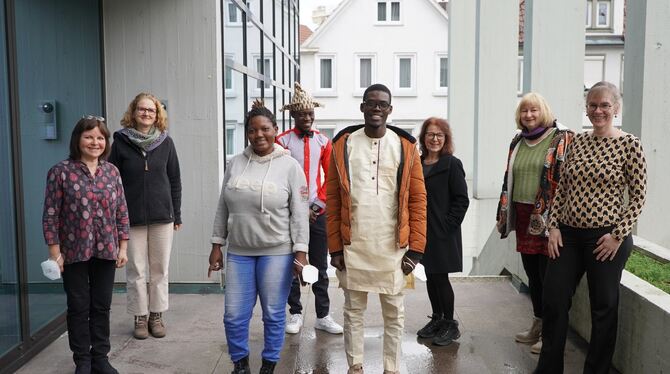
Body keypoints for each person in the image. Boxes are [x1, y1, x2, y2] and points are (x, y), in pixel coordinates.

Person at [535, 81, 647, 374]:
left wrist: (617, 235)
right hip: (568, 236)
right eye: (593, 105)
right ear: (586, 109)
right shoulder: (578, 142)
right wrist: (554, 226)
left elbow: (638, 196)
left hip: (606, 237)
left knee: (604, 307)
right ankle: (548, 369)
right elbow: (562, 189)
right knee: (554, 299)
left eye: (605, 105)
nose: (598, 110)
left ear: (616, 108)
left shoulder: (629, 144)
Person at [326, 83, 427, 374]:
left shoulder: (405, 147)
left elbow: (418, 200)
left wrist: (416, 251)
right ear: (362, 107)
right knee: (353, 311)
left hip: (393, 247)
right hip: (354, 245)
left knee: (394, 313)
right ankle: (355, 366)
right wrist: (334, 248)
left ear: (390, 110)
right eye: (371, 103)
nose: (376, 109)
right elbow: (333, 199)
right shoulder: (343, 145)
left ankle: (391, 369)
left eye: (382, 104)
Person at [208, 100, 310, 374]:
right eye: (253, 130)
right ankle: (240, 364)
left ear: (275, 130)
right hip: (239, 252)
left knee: (274, 314)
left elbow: (300, 213)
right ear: (247, 133)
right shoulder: (236, 163)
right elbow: (222, 205)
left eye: (265, 129)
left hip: (277, 251)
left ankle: (268, 364)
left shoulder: (290, 166)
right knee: (234, 315)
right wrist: (217, 244)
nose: (259, 135)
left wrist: (300, 253)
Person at [42, 116, 129, 374]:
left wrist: (123, 247)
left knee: (101, 305)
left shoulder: (112, 172)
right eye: (89, 136)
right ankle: (82, 360)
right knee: (78, 307)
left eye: (100, 137)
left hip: (106, 250)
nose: (95, 142)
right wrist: (55, 254)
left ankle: (100, 357)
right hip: (73, 252)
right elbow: (50, 215)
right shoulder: (60, 172)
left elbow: (122, 211)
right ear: (77, 139)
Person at [495, 93, 573, 354]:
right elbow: (508, 176)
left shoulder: (561, 138)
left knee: (549, 277)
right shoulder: (518, 140)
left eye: (534, 110)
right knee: (533, 276)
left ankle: (550, 335)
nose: (529, 115)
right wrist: (504, 214)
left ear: (544, 112)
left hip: (549, 218)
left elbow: (566, 181)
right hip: (523, 214)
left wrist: (558, 223)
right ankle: (537, 325)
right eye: (524, 111)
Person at [108, 92, 182, 340]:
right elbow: (112, 181)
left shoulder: (166, 143)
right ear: (134, 111)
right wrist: (114, 217)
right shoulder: (120, 142)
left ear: (157, 114)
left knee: (160, 269)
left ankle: (156, 314)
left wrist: (177, 213)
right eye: (142, 109)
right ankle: (139, 316)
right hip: (131, 218)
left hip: (163, 216)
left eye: (151, 110)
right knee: (137, 270)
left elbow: (174, 180)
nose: (146, 113)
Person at [277, 82, 343, 335]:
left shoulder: (325, 141)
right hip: (289, 213)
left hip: (317, 213)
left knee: (318, 265)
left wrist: (317, 205)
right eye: (302, 113)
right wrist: (295, 208)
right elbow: (279, 176)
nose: (307, 117)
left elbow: (331, 178)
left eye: (310, 113)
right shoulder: (281, 141)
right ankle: (295, 313)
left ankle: (323, 315)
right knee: (292, 263)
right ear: (293, 115)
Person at [415, 117, 469, 347]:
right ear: (423, 138)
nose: (435, 139)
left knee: (441, 278)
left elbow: (461, 200)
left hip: (443, 233)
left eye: (439, 135)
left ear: (445, 138)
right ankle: (437, 318)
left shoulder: (451, 164)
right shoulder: (417, 163)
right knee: (431, 275)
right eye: (430, 134)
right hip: (422, 232)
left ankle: (450, 324)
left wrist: (447, 226)